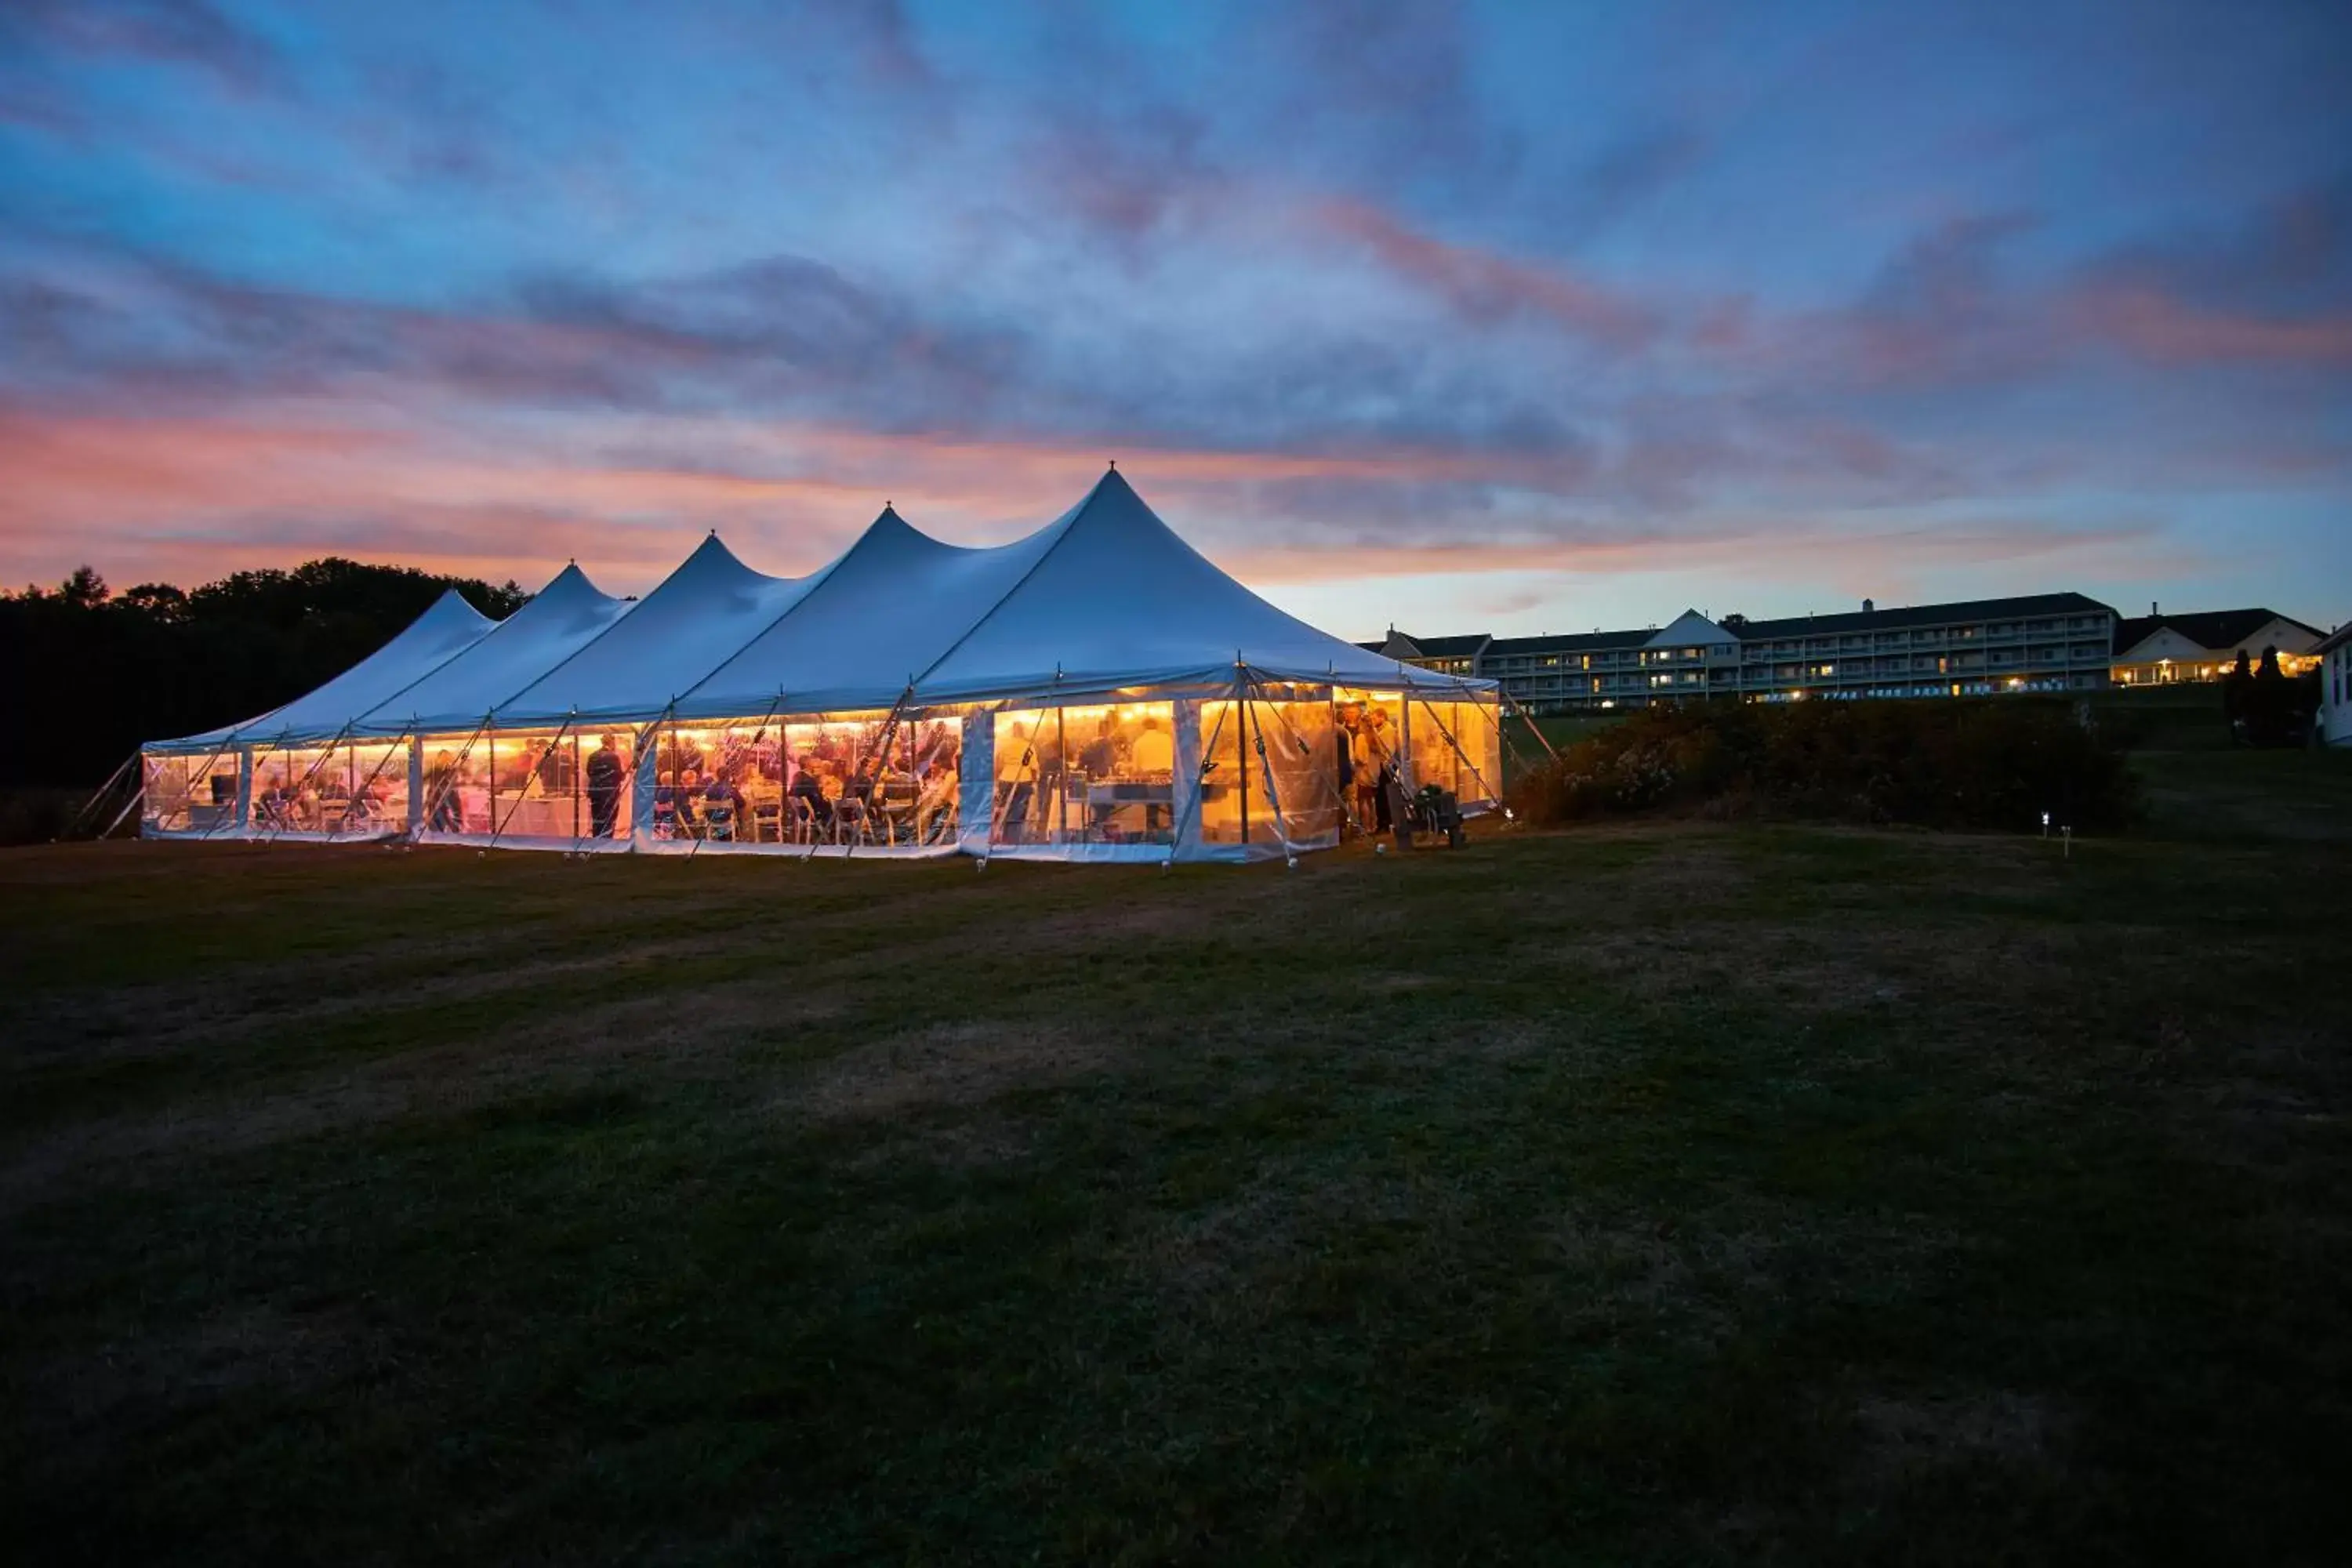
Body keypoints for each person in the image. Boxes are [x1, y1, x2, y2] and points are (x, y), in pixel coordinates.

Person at [996, 720, 1038, 840]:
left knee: (1006, 809)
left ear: (1012, 731)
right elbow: (1034, 767)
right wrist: (1034, 782)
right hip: (1023, 780)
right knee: (1019, 811)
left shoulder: (1005, 744)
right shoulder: (1028, 745)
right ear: (1023, 731)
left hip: (1005, 779)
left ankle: (1005, 836)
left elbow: (998, 764)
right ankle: (1014, 839)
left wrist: (996, 781)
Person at [585, 734, 624, 837]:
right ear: (611, 742)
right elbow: (618, 774)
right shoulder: (613, 756)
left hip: (595, 792)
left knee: (596, 817)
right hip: (609, 792)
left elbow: (589, 772)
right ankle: (606, 840)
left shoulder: (592, 755)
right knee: (609, 818)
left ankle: (596, 838)